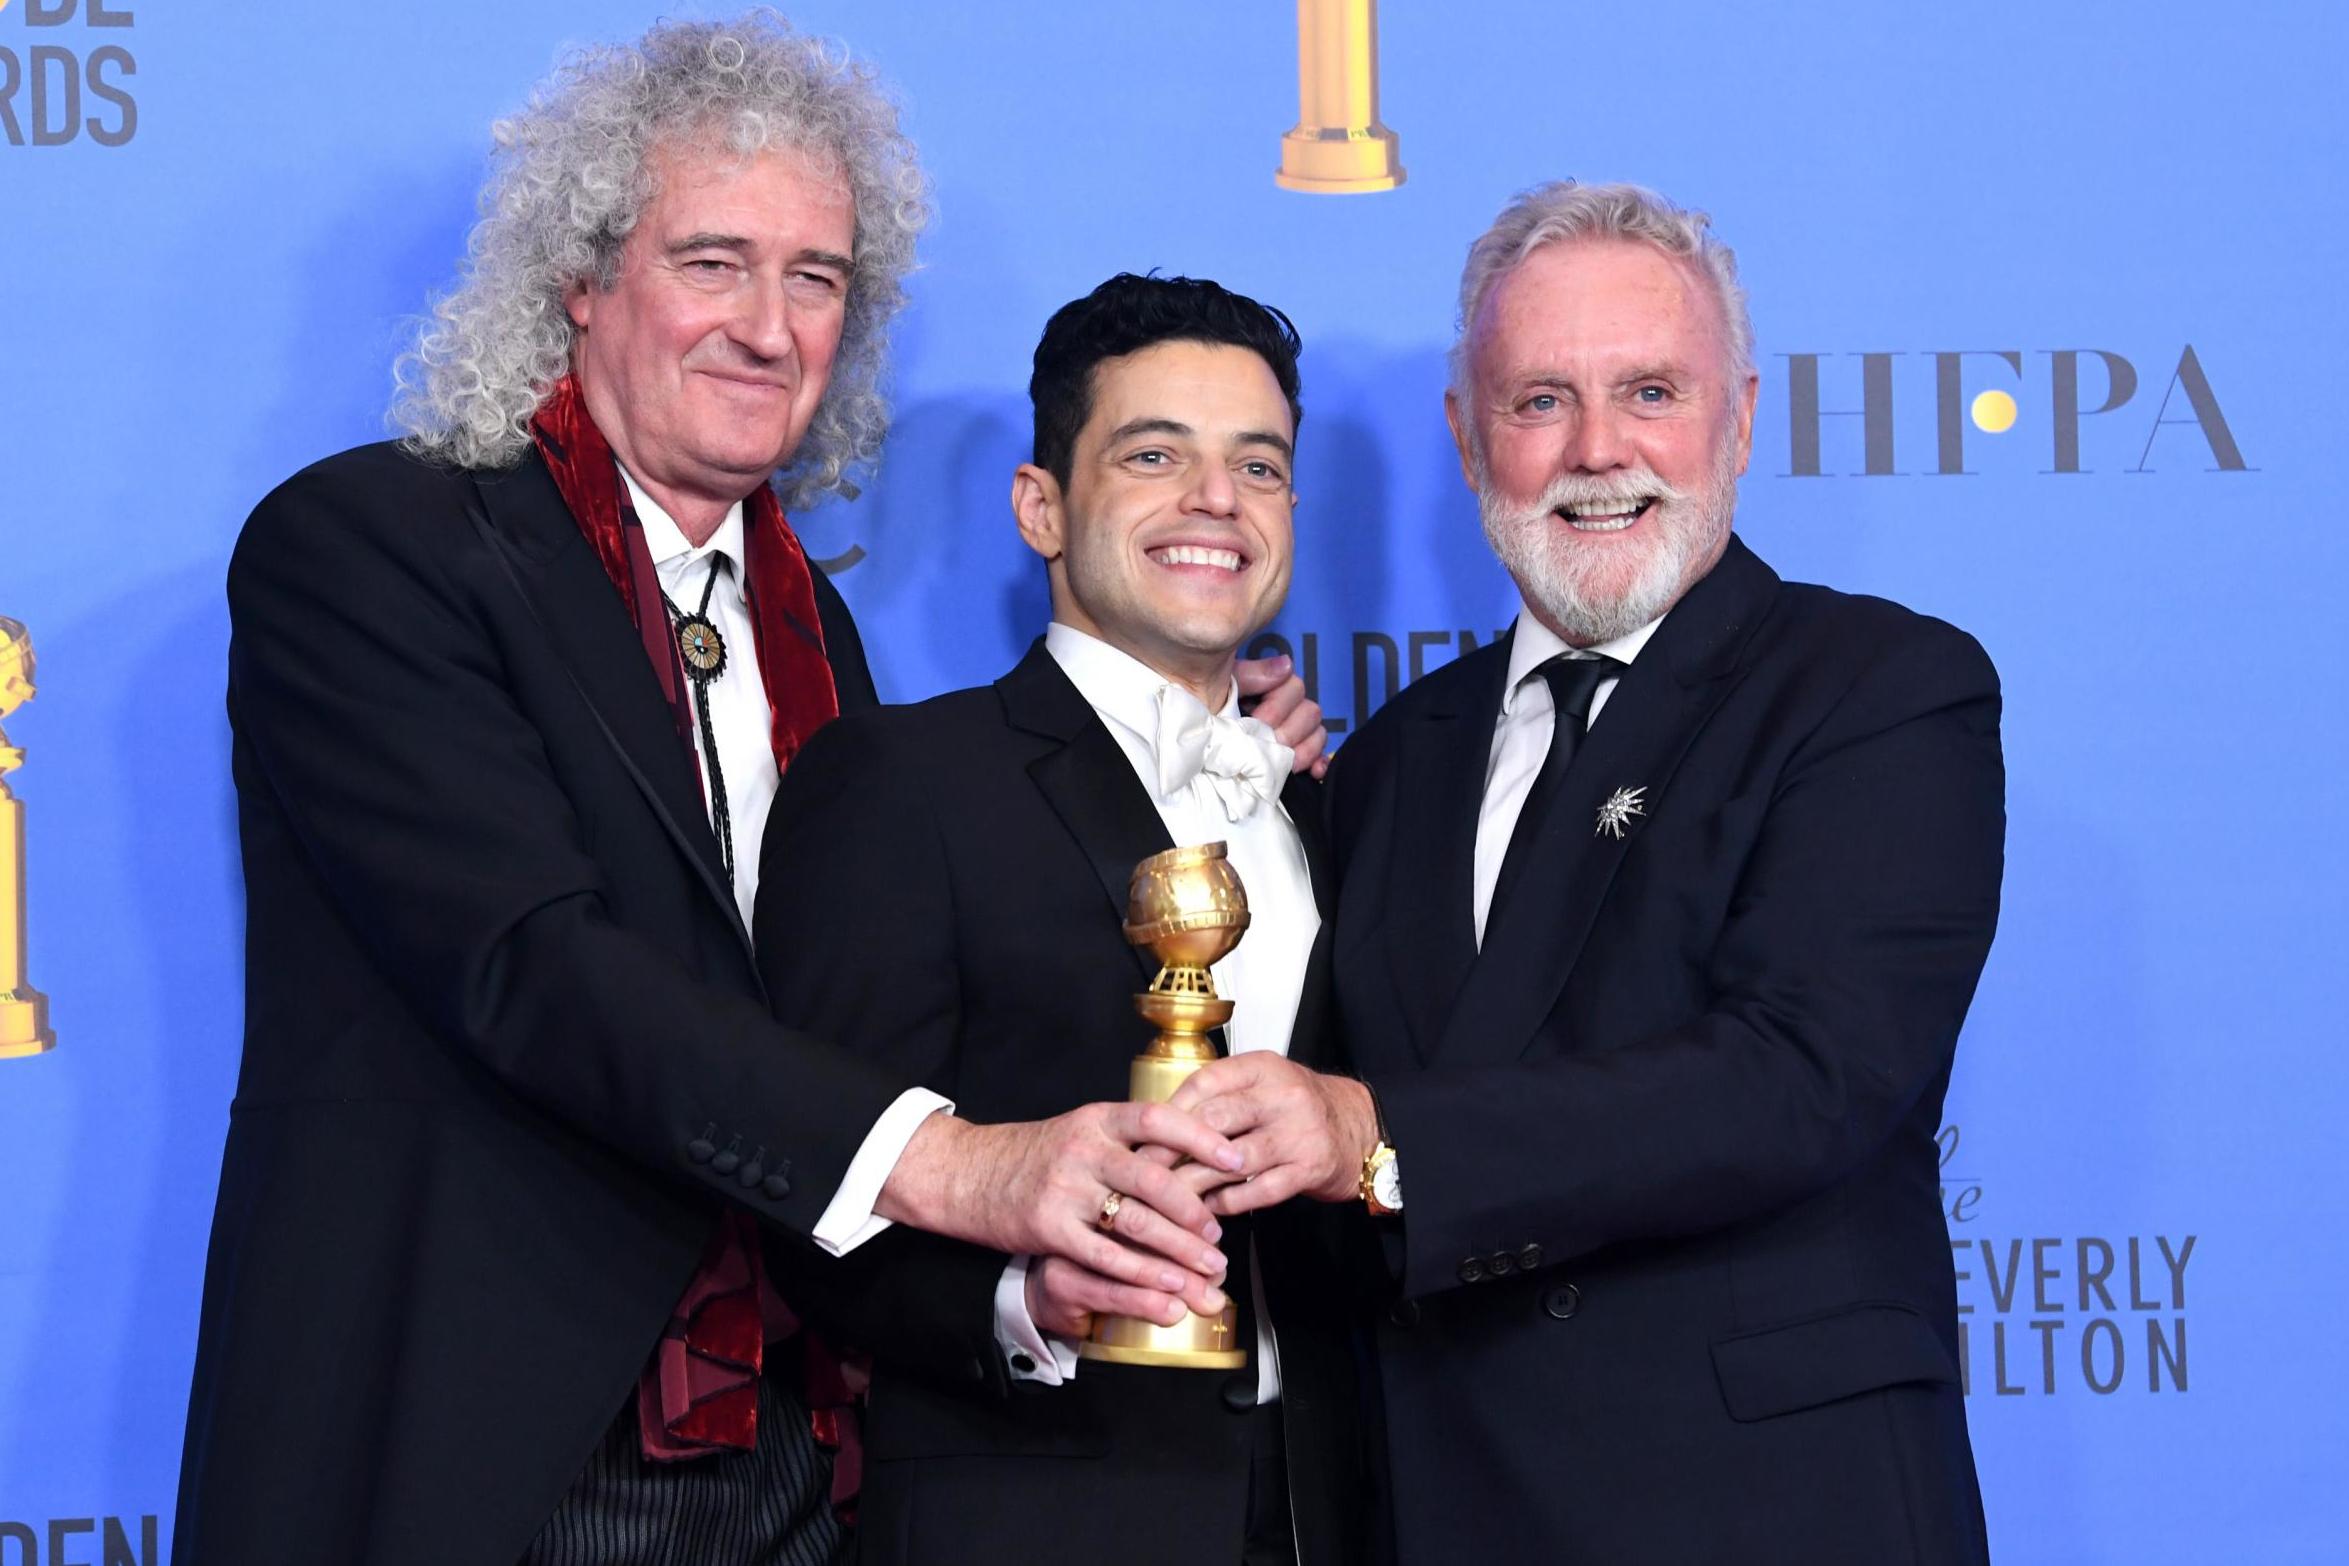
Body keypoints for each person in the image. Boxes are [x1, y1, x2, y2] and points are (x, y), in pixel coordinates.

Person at [173, 18, 1325, 1566]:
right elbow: (537, 966)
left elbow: (850, 990)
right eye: (713, 263)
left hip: (801, 1455)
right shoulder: (374, 550)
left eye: (817, 279)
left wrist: (1223, 773)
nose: (769, 327)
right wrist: (962, 1164)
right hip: (496, 1448)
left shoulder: (812, 625)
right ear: (578, 278)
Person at [1169, 181, 2003, 1562]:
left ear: (1738, 416)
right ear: (1465, 434)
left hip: (1769, 1511)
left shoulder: (1877, 690)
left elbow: (1798, 1076)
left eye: (1650, 393)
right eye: (1540, 399)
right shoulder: (1384, 766)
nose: (1597, 451)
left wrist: (1376, 1141)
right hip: (1442, 1509)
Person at [753, 274, 1366, 1566]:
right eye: (1155, 455)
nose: (1215, 499)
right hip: (1033, 1511)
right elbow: (812, 1182)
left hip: (1331, 1511)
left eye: (1257, 466)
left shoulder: (1329, 804)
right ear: (1042, 505)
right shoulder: (904, 782)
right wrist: (1021, 1298)